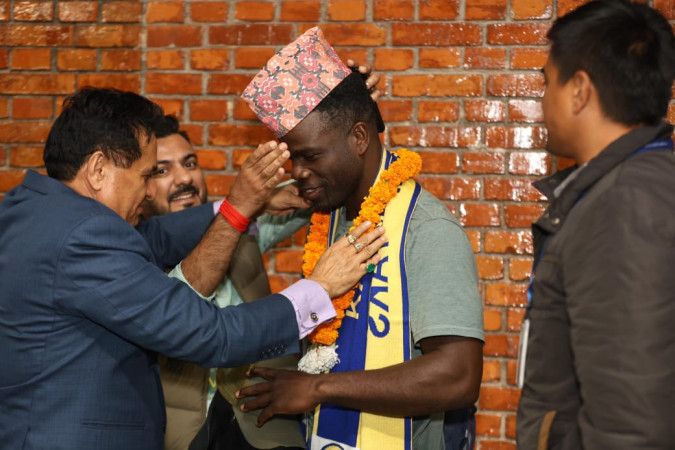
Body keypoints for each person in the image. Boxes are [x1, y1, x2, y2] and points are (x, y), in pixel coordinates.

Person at [0, 87, 388, 449]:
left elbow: (153, 237)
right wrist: (318, 289)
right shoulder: (85, 236)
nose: (149, 192)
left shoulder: (31, 208)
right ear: (98, 169)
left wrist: (245, 205)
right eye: (146, 175)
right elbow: (211, 334)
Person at [238, 27, 484, 450]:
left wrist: (317, 389)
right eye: (292, 156)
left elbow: (458, 376)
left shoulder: (426, 230)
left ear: (358, 138)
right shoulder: (331, 212)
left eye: (310, 155)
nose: (297, 171)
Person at [513, 1, 675, 448]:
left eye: (547, 82)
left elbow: (632, 425)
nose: (542, 99)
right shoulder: (630, 186)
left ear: (579, 91)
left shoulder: (624, 204)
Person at [143, 113, 312, 450]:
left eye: (189, 163)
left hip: (264, 429)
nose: (184, 178)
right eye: (162, 170)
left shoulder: (245, 231)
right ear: (140, 187)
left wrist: (339, 118)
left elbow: (305, 195)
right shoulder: (131, 258)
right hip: (186, 436)